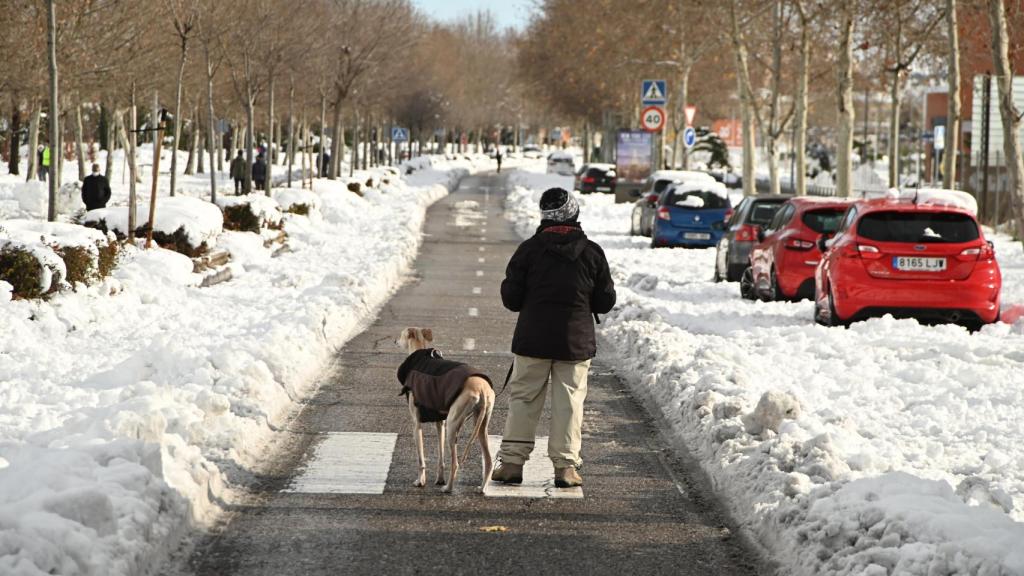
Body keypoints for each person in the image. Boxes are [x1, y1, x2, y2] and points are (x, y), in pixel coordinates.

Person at [492, 187, 616, 488]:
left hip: (532, 340)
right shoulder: (591, 253)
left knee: (524, 398)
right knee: (569, 402)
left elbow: (511, 298)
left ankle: (511, 464)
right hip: (574, 343)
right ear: (573, 213)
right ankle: (565, 468)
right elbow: (605, 302)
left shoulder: (529, 250)